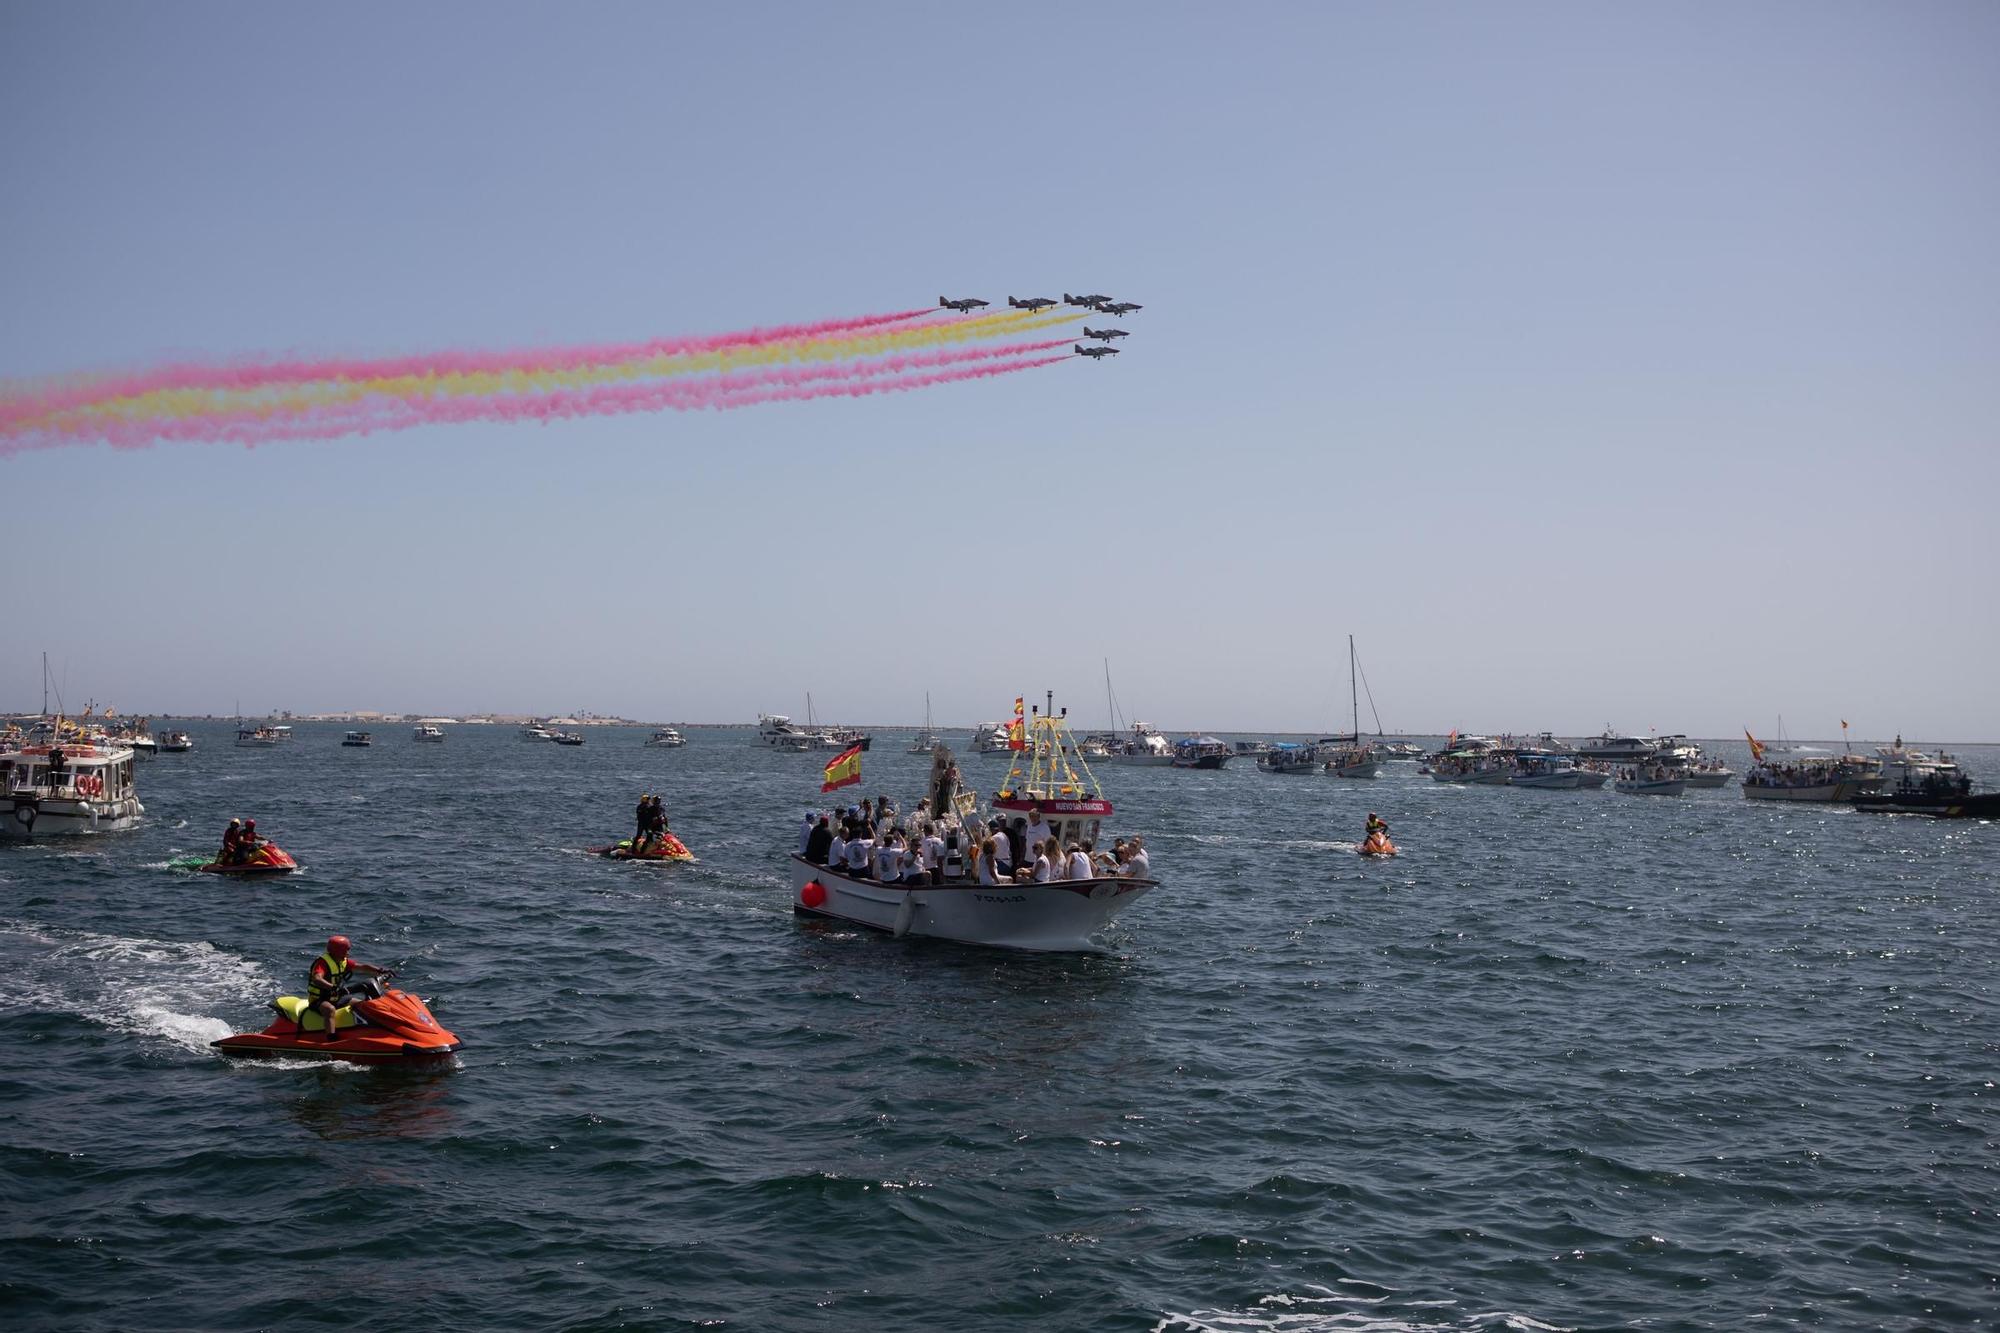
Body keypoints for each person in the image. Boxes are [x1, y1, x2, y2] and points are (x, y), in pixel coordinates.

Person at [305, 935, 390, 1043]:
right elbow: (317, 978)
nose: (348, 952)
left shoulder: (342, 961)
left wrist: (380, 970)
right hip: (319, 999)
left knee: (361, 1004)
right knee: (329, 1009)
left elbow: (362, 967)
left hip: (336, 997)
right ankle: (331, 1038)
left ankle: (367, 1029)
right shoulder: (322, 963)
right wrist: (332, 987)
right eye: (346, 950)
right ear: (337, 951)